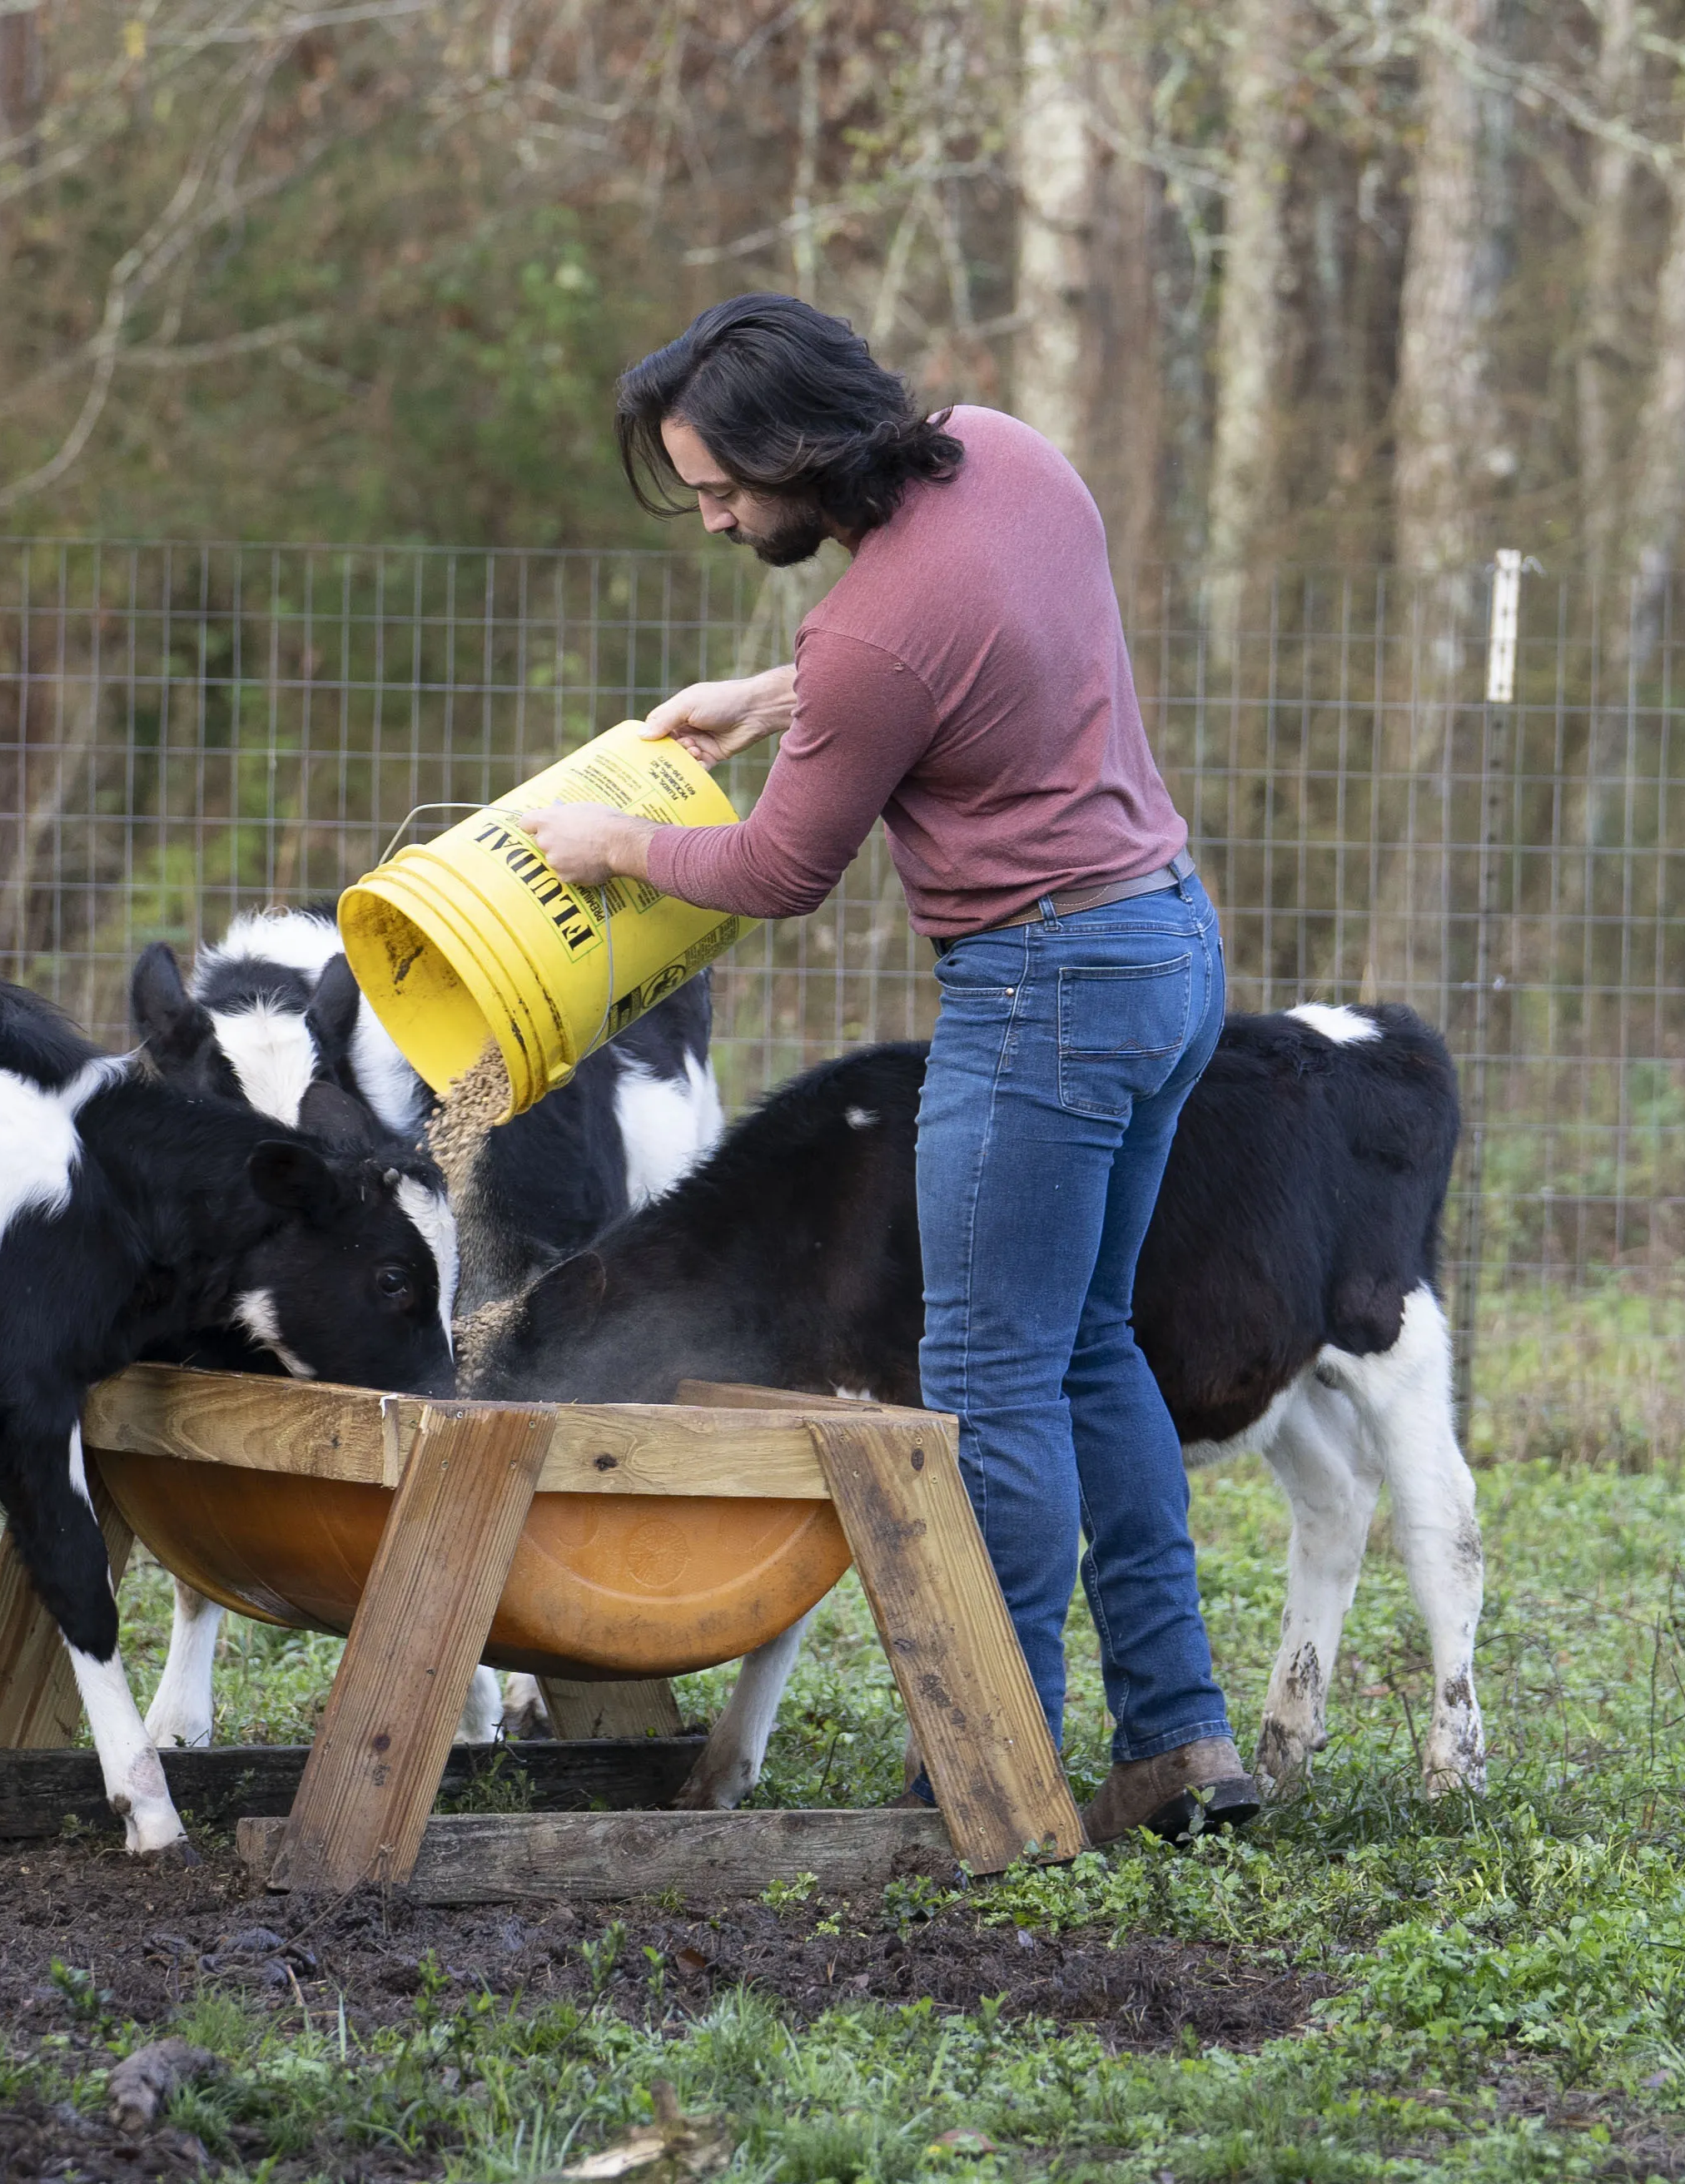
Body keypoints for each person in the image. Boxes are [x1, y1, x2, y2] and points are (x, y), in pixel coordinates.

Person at [519, 293, 1256, 1844]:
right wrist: (769, 696)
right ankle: (1179, 1741)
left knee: (990, 1388)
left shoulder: (866, 636)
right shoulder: (1008, 458)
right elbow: (953, 646)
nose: (715, 516)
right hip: (1171, 947)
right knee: (1092, 1346)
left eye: (722, 487)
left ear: (798, 452)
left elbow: (783, 866)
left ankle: (987, 1773)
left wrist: (610, 841)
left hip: (1043, 994)